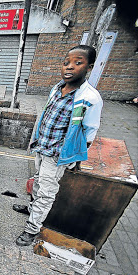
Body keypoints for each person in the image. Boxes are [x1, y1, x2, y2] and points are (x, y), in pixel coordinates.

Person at [14, 45, 103, 247]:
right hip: (42, 146)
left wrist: (78, 157)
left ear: (89, 67)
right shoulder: (57, 88)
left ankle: (32, 229)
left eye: (77, 63)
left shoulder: (90, 98)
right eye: (66, 63)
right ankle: (31, 208)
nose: (69, 68)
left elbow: (90, 131)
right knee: (37, 181)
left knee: (46, 191)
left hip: (57, 154)